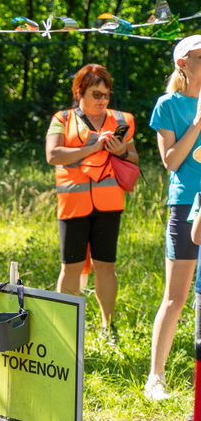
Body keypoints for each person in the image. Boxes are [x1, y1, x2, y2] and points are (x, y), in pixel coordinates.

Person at [45, 64, 138, 343]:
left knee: (105, 267)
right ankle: (65, 330)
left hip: (109, 205)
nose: (102, 100)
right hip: (73, 205)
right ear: (79, 92)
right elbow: (53, 155)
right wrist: (91, 149)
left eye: (106, 95)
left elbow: (135, 159)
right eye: (96, 94)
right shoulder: (61, 118)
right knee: (70, 268)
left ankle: (108, 328)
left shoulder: (123, 119)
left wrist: (122, 151)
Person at [145, 35, 201, 401]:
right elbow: (171, 162)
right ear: (183, 62)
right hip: (185, 205)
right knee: (176, 296)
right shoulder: (168, 104)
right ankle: (156, 378)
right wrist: (197, 124)